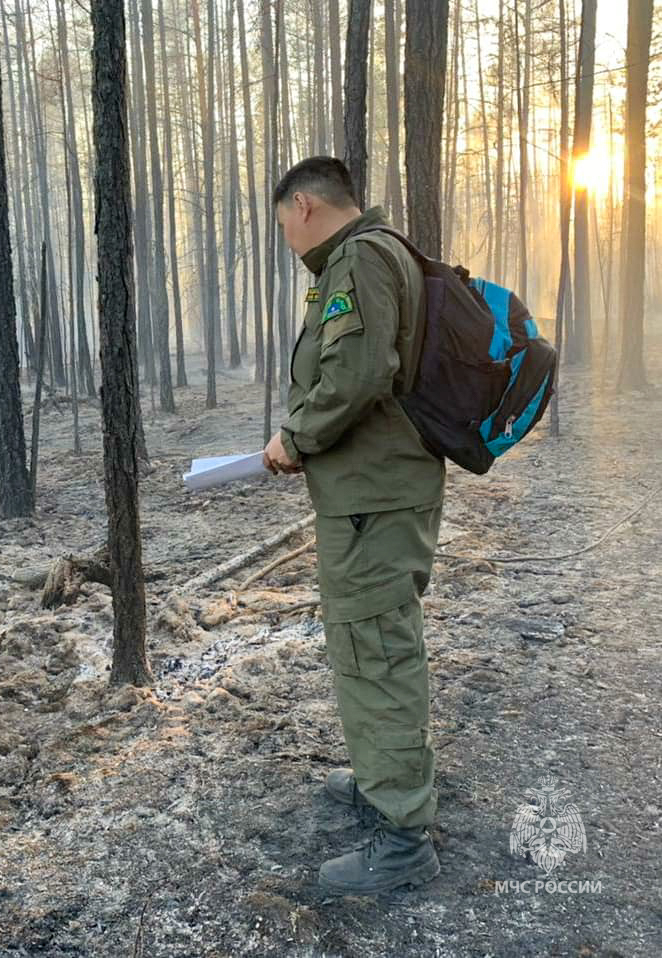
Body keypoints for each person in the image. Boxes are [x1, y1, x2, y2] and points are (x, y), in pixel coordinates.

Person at [263, 158, 445, 894]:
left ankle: (403, 837)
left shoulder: (361, 258)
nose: (286, 238)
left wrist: (295, 436)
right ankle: (384, 777)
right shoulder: (372, 255)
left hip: (376, 495)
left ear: (304, 206)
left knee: (377, 650)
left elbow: (359, 371)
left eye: (283, 224)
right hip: (372, 493)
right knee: (372, 644)